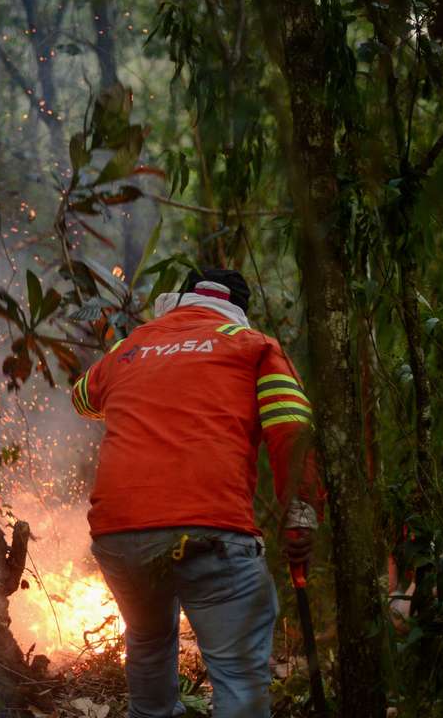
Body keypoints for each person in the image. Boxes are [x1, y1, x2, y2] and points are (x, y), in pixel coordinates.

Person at [71, 267, 324, 718]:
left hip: (120, 535)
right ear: (239, 310)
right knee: (239, 683)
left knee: (148, 651)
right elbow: (293, 430)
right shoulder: (255, 347)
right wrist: (300, 515)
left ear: (182, 297)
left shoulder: (129, 346)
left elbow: (83, 399)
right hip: (212, 529)